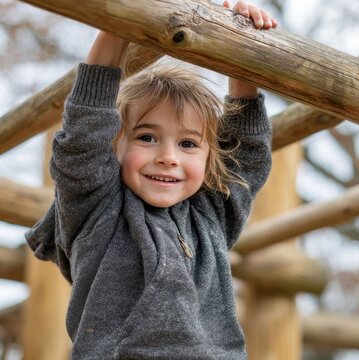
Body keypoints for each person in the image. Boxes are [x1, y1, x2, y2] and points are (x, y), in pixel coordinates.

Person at [26, 1, 277, 358]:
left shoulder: (212, 217)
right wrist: (119, 20)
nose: (168, 157)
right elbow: (83, 138)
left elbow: (246, 156)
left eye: (188, 143)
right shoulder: (96, 209)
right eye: (147, 137)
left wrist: (244, 52)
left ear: (210, 161)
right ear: (114, 146)